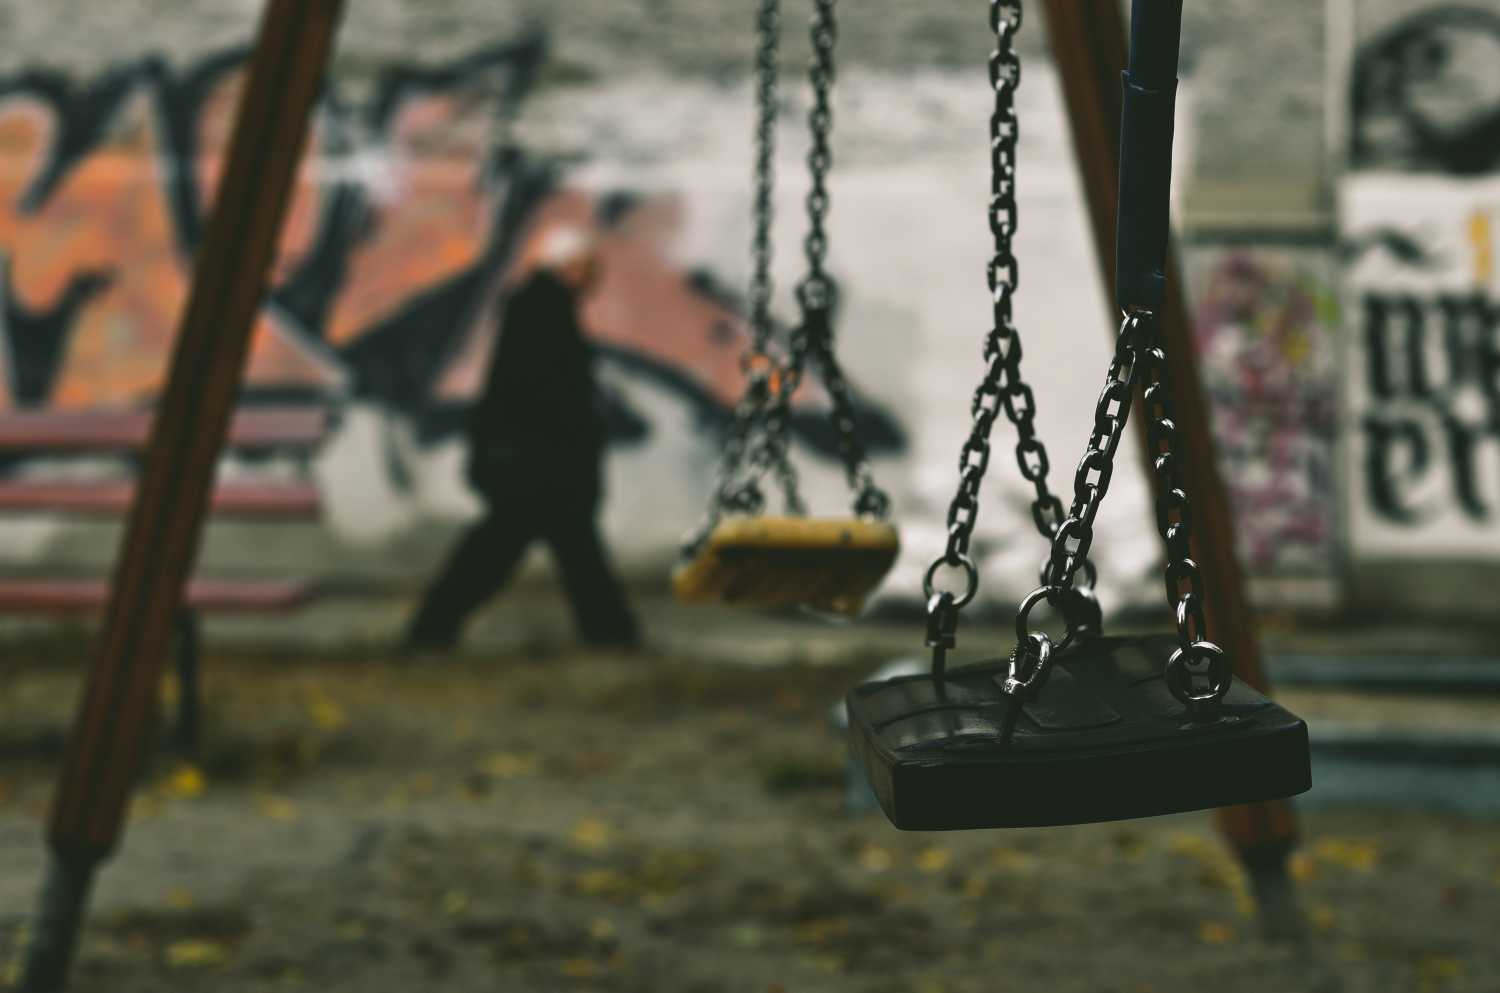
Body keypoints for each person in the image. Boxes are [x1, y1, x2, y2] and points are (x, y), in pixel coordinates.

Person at [402, 226, 642, 653]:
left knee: (524, 553)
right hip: (539, 467)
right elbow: (553, 394)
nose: (594, 278)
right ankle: (612, 638)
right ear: (570, 266)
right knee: (556, 555)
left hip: (526, 464)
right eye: (588, 267)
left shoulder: (533, 307)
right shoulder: (546, 311)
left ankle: (431, 631)